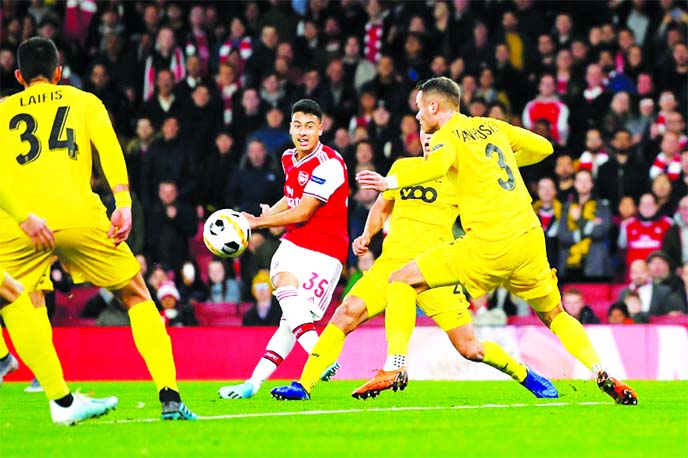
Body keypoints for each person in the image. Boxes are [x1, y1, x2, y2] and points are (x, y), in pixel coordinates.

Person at [355, 77, 637, 405]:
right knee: (555, 314)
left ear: (434, 106)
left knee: (400, 279)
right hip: (530, 240)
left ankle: (395, 366)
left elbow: (436, 167)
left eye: (419, 109)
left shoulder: (447, 135)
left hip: (489, 244)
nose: (418, 116)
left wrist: (389, 181)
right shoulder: (492, 126)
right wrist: (496, 163)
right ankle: (600, 369)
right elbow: (544, 147)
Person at [271, 130, 557, 401]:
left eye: (437, 136)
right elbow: (382, 206)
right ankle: (304, 385)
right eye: (426, 135)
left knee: (470, 349)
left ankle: (524, 374)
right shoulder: (403, 167)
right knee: (345, 314)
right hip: (392, 263)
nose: (430, 141)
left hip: (435, 272)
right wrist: (367, 235)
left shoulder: (462, 176)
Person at [0, 38, 196, 420]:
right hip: (80, 216)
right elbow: (110, 150)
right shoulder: (84, 101)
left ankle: (53, 394)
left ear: (19, 76)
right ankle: (170, 396)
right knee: (136, 294)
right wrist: (122, 202)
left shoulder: (2, 110)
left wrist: (22, 214)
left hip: (19, 223)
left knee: (16, 297)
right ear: (59, 73)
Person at [218, 99, 349, 399]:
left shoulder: (330, 165)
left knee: (291, 321)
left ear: (321, 129)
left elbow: (303, 212)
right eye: (298, 125)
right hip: (295, 242)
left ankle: (314, 356)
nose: (303, 132)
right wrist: (263, 218)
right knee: (282, 285)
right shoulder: (289, 158)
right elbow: (290, 199)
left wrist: (259, 224)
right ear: (290, 127)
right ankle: (254, 383)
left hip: (326, 251)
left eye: (309, 126)